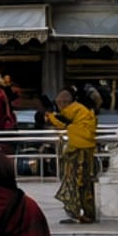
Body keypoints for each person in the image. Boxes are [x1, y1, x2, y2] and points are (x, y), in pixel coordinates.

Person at [43, 89, 98, 224]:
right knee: (85, 183)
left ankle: (76, 212)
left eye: (59, 104)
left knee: (74, 182)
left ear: (63, 102)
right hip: (87, 150)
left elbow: (61, 123)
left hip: (77, 151)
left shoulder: (72, 110)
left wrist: (50, 116)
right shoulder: (82, 111)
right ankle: (87, 213)